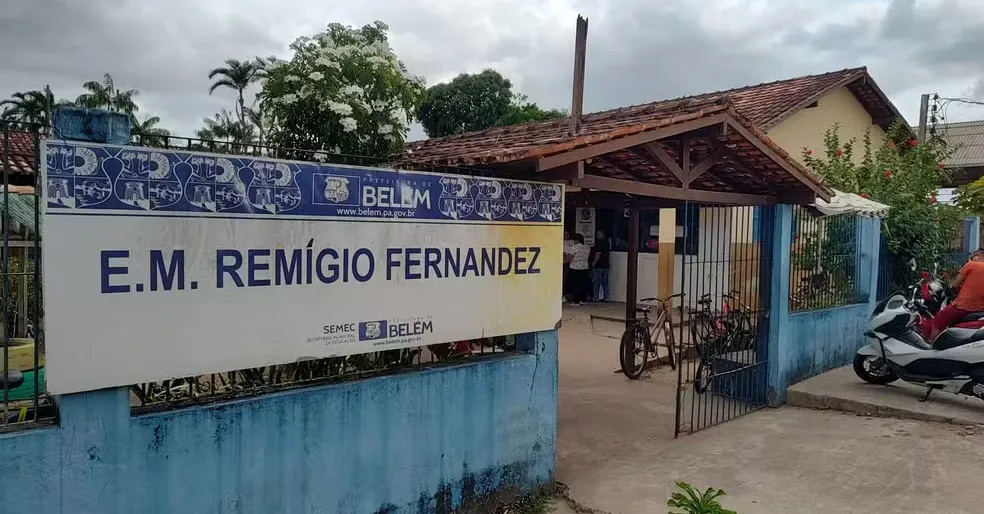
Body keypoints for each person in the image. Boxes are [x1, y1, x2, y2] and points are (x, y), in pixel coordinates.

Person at [930, 249, 984, 342]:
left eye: (972, 257)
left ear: (979, 256)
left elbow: (955, 285)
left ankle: (930, 343)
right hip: (981, 309)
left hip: (964, 305)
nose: (970, 259)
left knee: (939, 319)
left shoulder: (971, 265)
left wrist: (951, 290)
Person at [567, 233, 592, 306]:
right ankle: (583, 300)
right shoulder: (587, 247)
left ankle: (576, 301)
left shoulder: (574, 247)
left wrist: (568, 256)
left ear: (576, 240)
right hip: (584, 267)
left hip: (575, 268)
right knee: (583, 284)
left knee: (575, 285)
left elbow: (570, 258)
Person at [591, 230, 611, 302]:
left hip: (599, 265)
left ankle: (596, 297)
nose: (597, 235)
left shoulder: (599, 243)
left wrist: (594, 262)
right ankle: (606, 297)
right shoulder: (607, 243)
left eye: (598, 234)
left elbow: (598, 254)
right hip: (606, 265)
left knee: (596, 283)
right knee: (605, 282)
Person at [562, 230, 574, 302]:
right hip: (564, 264)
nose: (566, 236)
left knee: (570, 280)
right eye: (564, 234)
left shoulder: (571, 242)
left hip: (571, 264)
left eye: (567, 234)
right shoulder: (560, 241)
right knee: (563, 280)